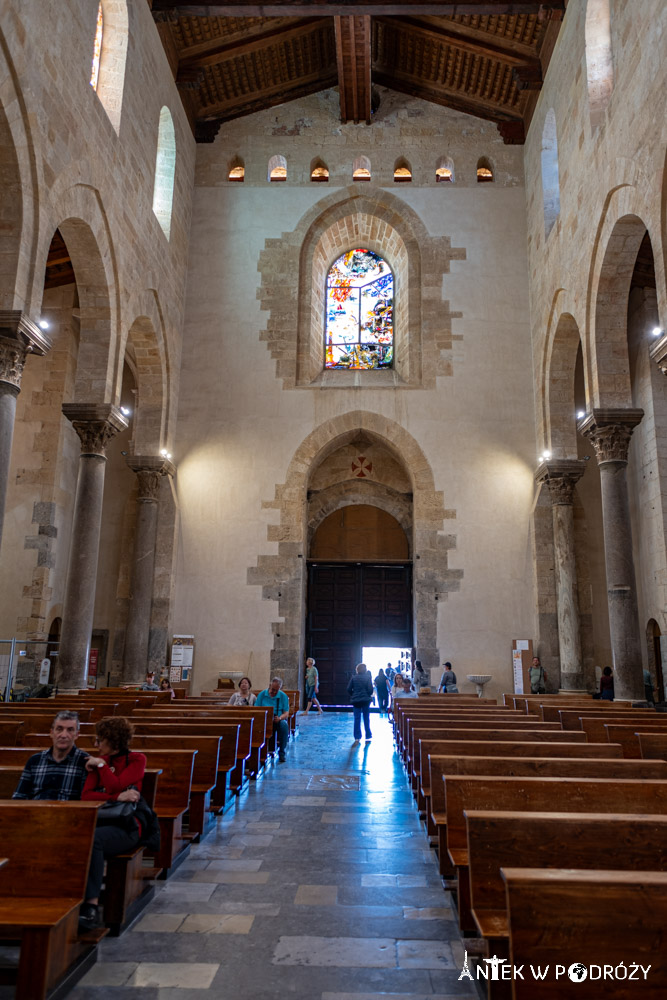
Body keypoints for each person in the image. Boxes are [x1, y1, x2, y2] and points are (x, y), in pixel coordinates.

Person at [79, 717, 146, 931]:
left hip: (128, 826)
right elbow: (86, 796)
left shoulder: (137, 760)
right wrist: (116, 797)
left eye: (100, 740)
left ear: (114, 741)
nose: (97, 745)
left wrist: (101, 765)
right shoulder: (99, 762)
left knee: (95, 840)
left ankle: (90, 906)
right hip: (100, 820)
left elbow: (115, 784)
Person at [13, 710, 88, 800]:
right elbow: (19, 796)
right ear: (51, 733)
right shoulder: (35, 760)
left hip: (69, 812)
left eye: (70, 730)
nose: (64, 735)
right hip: (35, 811)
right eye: (59, 729)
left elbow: (86, 803)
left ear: (77, 735)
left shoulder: (85, 762)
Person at [256, 677, 290, 762]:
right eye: (272, 689)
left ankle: (282, 752)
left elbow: (286, 713)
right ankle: (259, 752)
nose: (274, 692)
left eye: (276, 690)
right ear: (269, 686)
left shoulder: (283, 696)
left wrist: (280, 718)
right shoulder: (262, 694)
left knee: (284, 725)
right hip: (263, 719)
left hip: (277, 720)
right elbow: (256, 709)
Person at [347, 663, 373, 744]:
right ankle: (368, 735)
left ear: (357, 669)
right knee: (366, 718)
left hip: (356, 700)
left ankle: (357, 737)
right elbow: (370, 690)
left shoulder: (354, 678)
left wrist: (353, 694)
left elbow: (348, 689)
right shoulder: (368, 677)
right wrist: (368, 694)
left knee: (357, 718)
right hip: (365, 700)